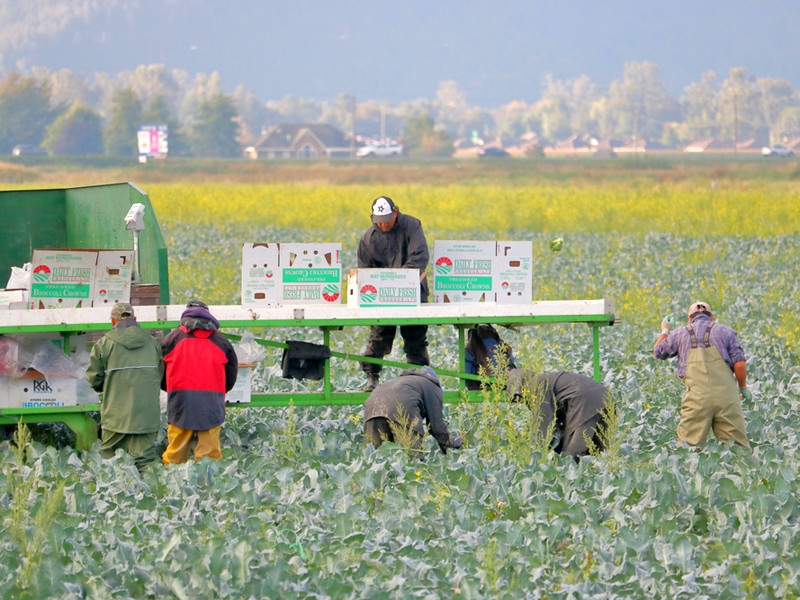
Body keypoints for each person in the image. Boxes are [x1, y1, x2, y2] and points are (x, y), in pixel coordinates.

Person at [358, 195, 430, 392]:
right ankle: (372, 377)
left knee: (415, 336)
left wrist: (400, 281)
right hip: (382, 296)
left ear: (396, 212)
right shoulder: (368, 238)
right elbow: (365, 271)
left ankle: (417, 379)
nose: (383, 225)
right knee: (379, 335)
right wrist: (382, 287)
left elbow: (420, 255)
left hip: (413, 291)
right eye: (378, 221)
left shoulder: (412, 226)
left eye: (387, 220)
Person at [653, 301, 750, 448]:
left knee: (689, 449)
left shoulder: (679, 333)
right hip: (726, 397)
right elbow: (740, 363)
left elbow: (658, 352)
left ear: (690, 319)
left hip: (696, 398)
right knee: (736, 449)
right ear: (711, 317)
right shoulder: (726, 332)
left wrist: (665, 330)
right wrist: (743, 387)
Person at [85, 302, 164, 471]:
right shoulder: (153, 343)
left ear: (113, 322)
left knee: (111, 462)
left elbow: (94, 379)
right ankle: (152, 494)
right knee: (146, 461)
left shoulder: (103, 344)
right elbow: (159, 375)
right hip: (146, 415)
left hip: (116, 415)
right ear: (135, 319)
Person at [161, 300, 238, 463]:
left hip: (180, 403)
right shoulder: (222, 342)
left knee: (175, 455)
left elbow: (159, 372)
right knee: (209, 459)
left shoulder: (171, 340)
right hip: (211, 405)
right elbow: (230, 377)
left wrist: (169, 389)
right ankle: (207, 487)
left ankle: (174, 485)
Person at [505, 368, 611, 458]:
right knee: (596, 454)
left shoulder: (537, 385)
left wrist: (540, 453)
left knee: (571, 456)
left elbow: (544, 421)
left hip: (586, 404)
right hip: (606, 398)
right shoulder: (546, 379)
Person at [363, 366, 462, 455]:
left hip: (372, 407)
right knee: (412, 459)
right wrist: (451, 442)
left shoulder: (404, 380)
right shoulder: (432, 385)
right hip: (401, 407)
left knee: (376, 458)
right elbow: (436, 426)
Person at [465, 324, 517, 390]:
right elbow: (511, 367)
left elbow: (467, 377)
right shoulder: (503, 346)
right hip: (502, 384)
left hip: (482, 386)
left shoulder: (470, 349)